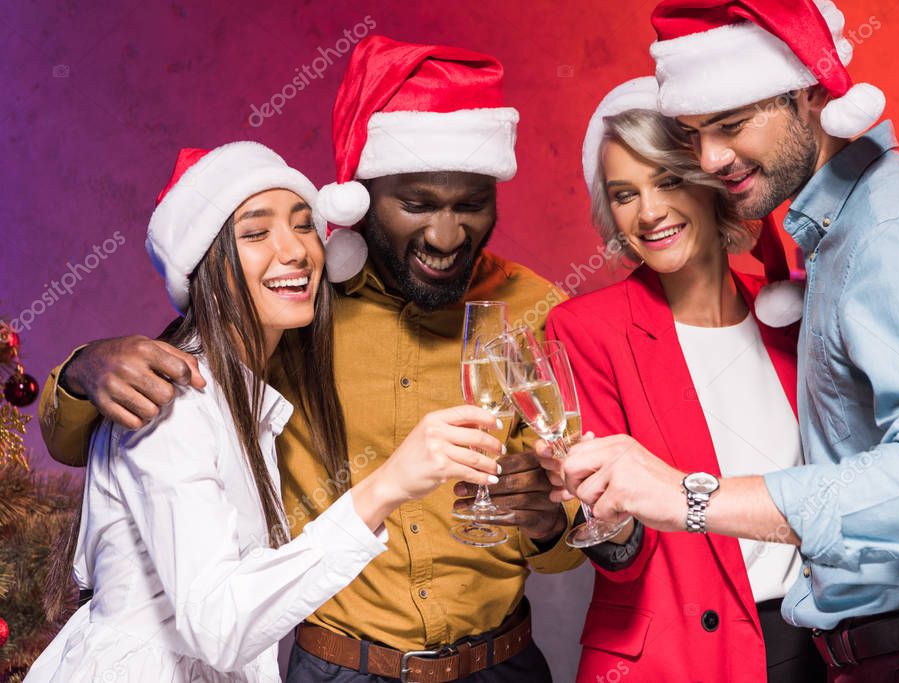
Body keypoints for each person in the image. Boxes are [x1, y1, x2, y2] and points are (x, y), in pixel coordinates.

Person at [38, 37, 581, 683]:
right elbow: (123, 424)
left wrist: (552, 522)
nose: (444, 235)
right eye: (415, 204)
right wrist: (81, 369)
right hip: (338, 666)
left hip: (499, 661)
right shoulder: (299, 306)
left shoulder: (532, 307)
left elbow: (564, 527)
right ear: (361, 197)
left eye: (468, 204)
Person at [551, 2, 899, 681]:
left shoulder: (891, 232)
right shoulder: (834, 245)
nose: (711, 158)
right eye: (692, 134)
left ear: (806, 91)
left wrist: (691, 497)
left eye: (731, 124)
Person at [538, 76, 821, 682]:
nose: (649, 212)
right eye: (624, 193)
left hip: (812, 648)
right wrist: (603, 515)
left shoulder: (793, 316)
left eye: (668, 180)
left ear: (714, 183)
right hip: (675, 661)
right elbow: (620, 553)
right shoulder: (586, 330)